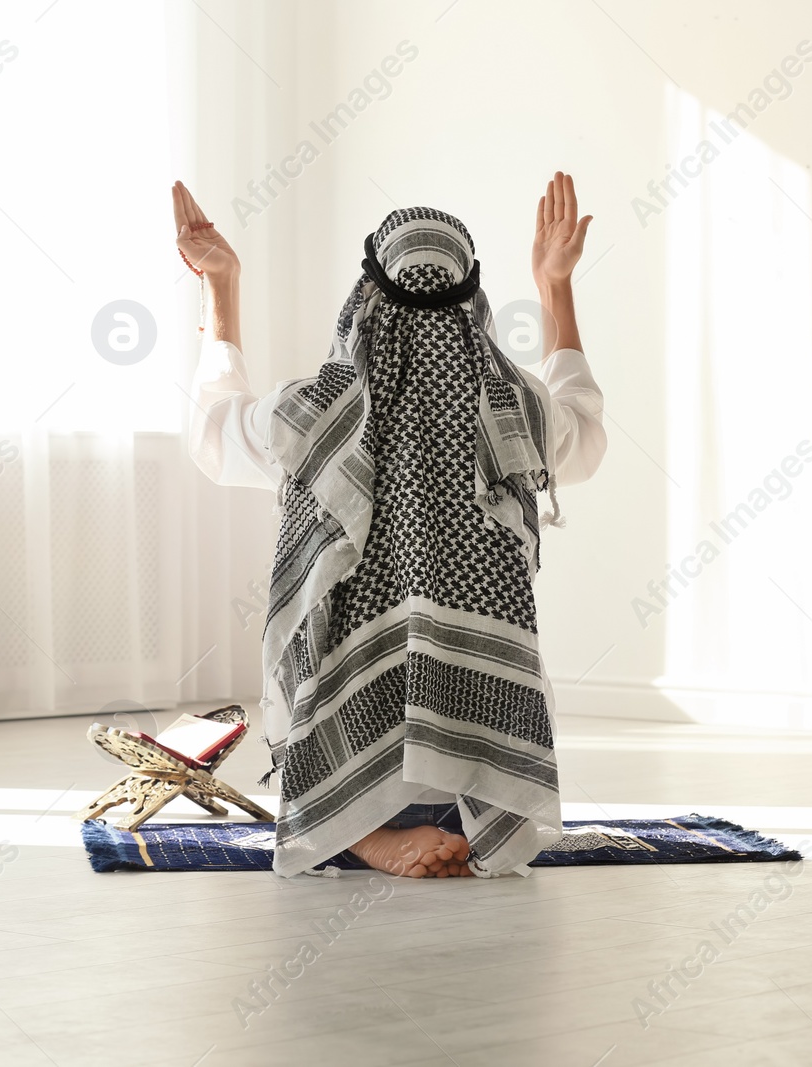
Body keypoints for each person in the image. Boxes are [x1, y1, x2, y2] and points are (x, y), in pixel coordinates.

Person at [175, 173, 608, 878]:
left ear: (367, 297)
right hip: (477, 770)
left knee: (323, 640)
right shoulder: (514, 411)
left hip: (349, 753)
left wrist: (221, 287)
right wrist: (555, 285)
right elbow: (585, 429)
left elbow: (214, 432)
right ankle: (446, 822)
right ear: (473, 298)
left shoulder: (320, 411)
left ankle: (356, 827)